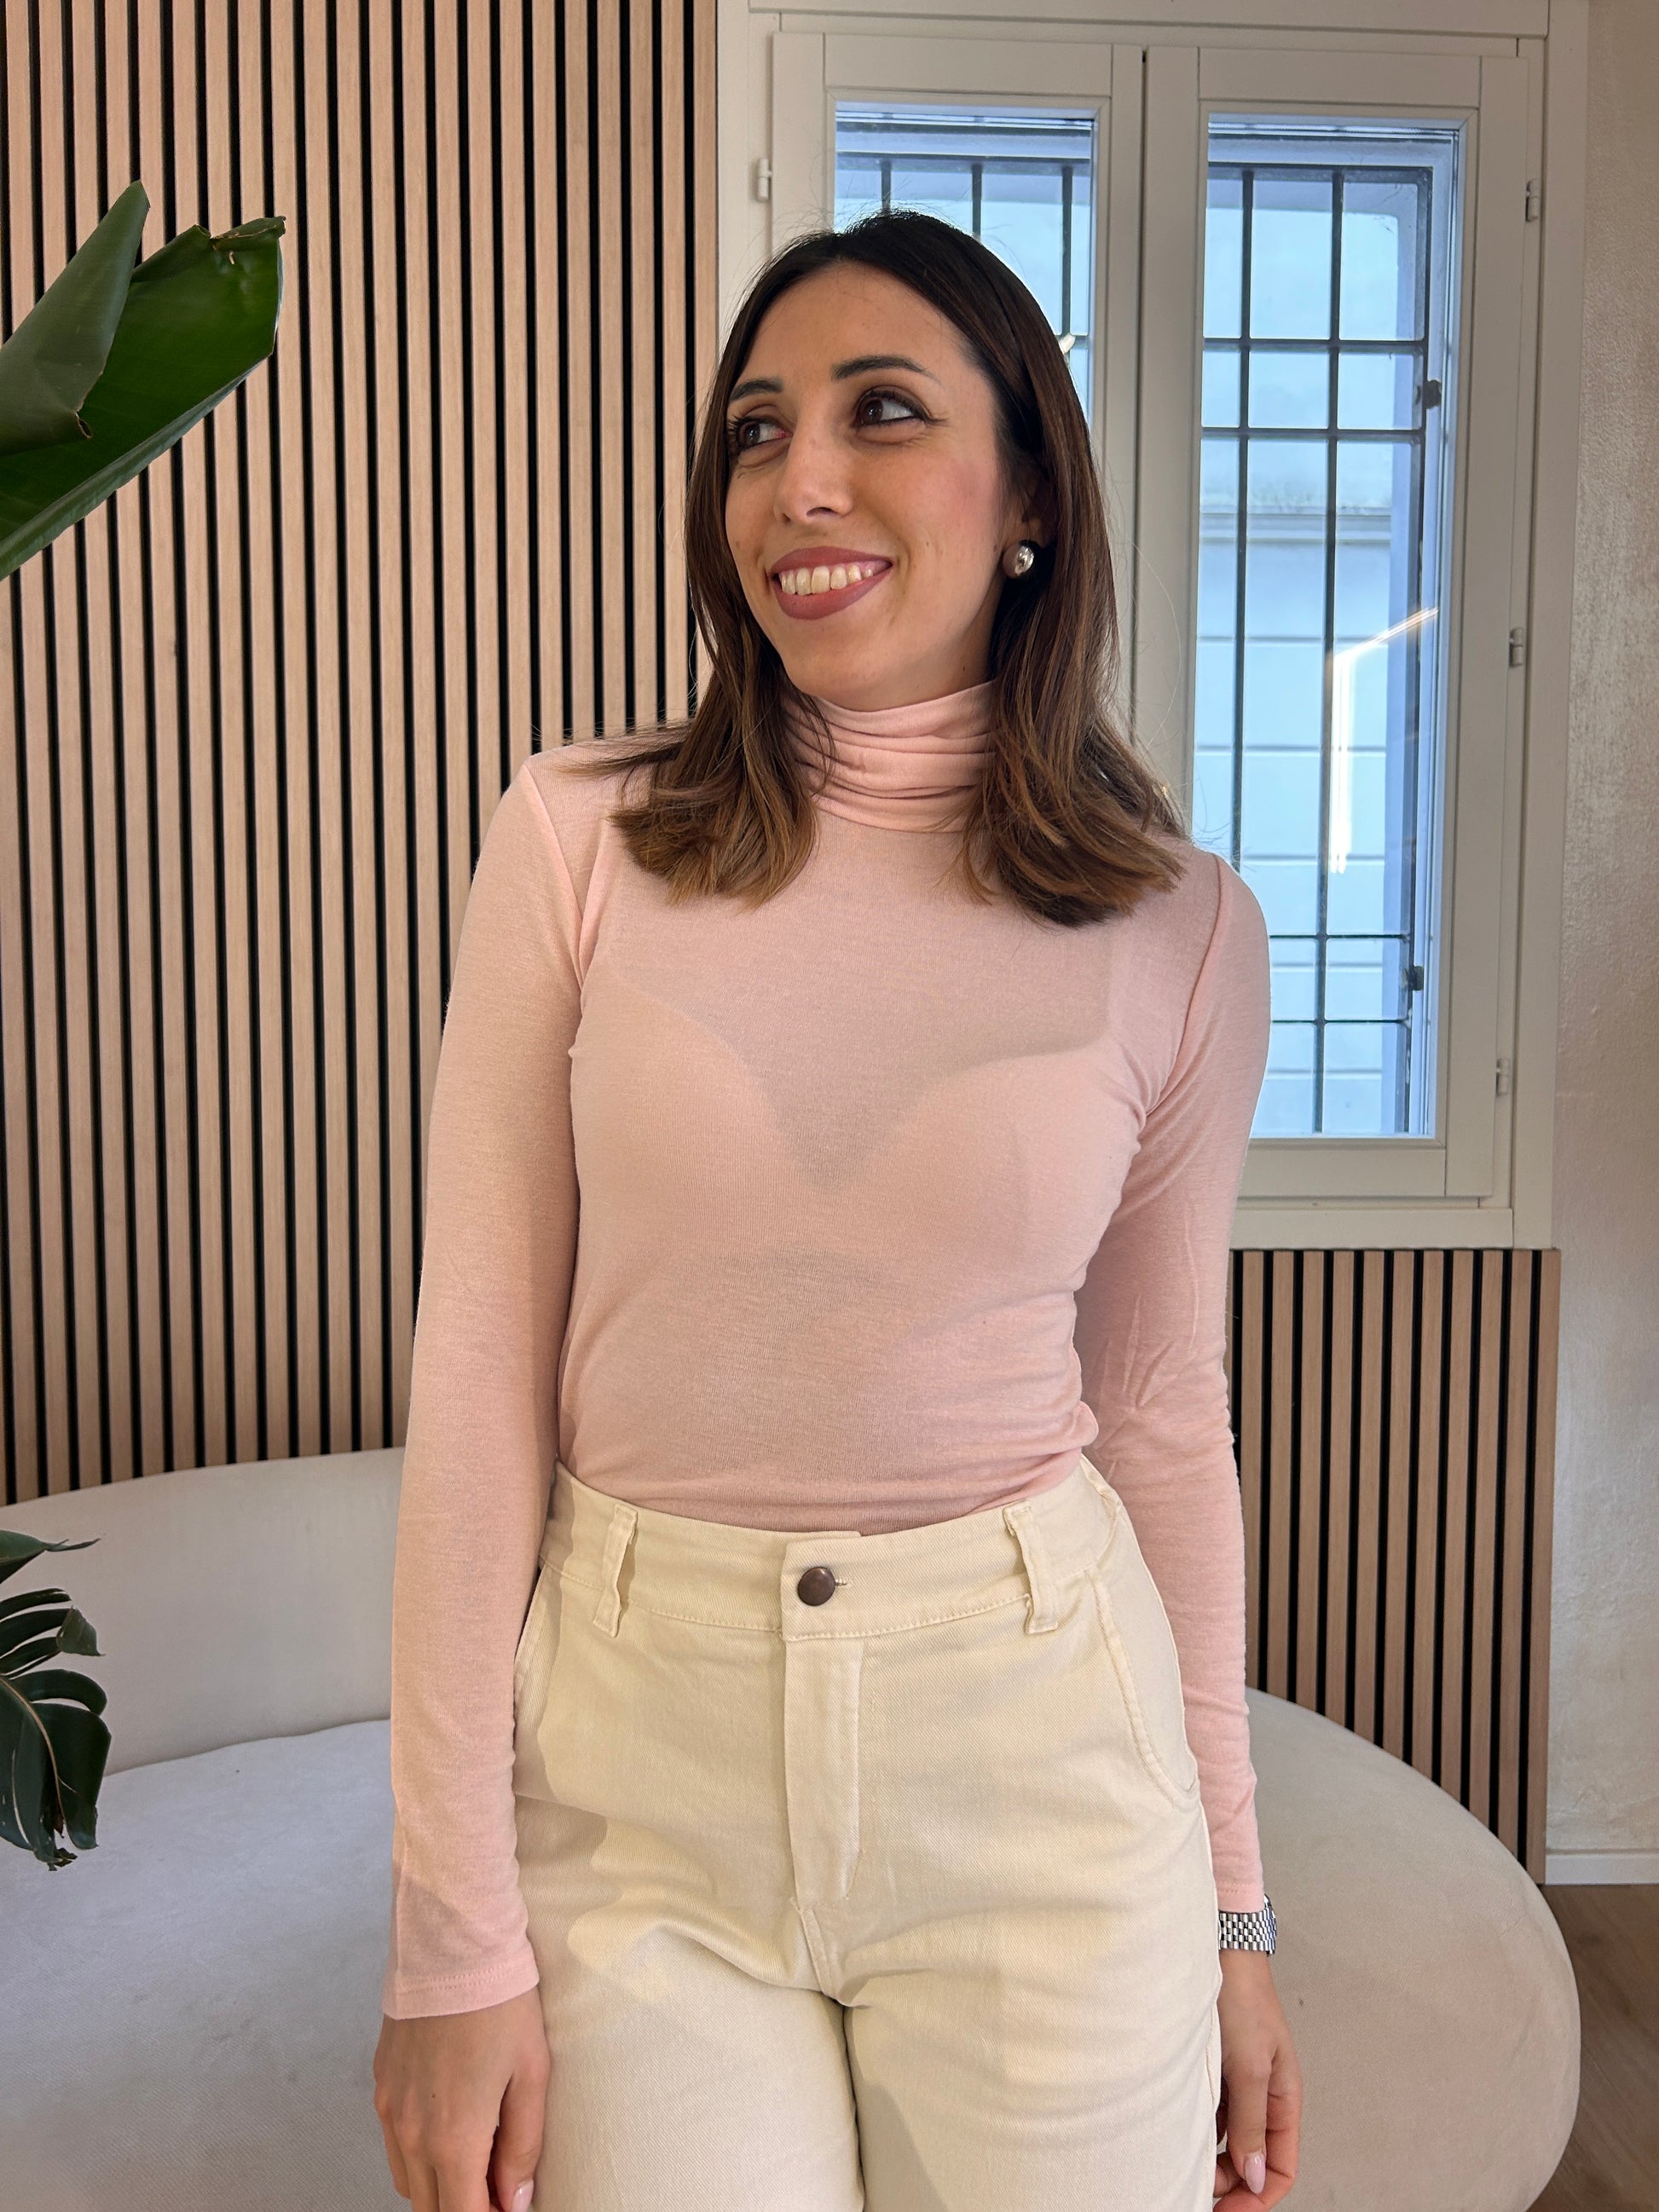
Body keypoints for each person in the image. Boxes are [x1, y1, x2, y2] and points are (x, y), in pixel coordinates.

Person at [373, 207, 1304, 2212]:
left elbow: (1161, 1420)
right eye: (754, 430)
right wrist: (449, 1933)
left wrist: (1234, 1910)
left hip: (1046, 1757)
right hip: (637, 1770)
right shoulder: (575, 840)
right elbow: (477, 1369)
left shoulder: (1184, 930)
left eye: (883, 412)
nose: (799, 480)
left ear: (1030, 492)